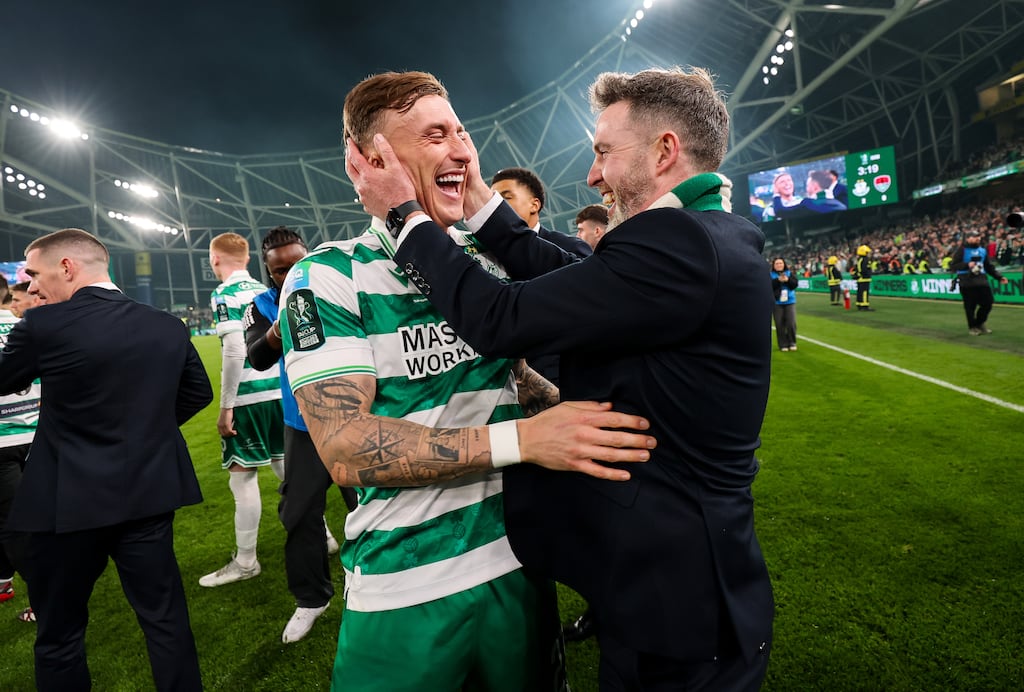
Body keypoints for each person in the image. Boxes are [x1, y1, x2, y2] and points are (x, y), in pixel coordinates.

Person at [354, 65, 775, 690]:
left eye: (604, 151)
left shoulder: (679, 240)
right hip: (671, 574)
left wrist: (404, 218)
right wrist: (478, 203)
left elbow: (501, 318)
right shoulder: (707, 231)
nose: (593, 173)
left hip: (676, 595)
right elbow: (562, 271)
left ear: (664, 151)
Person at [290, 70, 654, 692]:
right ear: (372, 159)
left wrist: (591, 418)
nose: (461, 150)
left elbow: (516, 378)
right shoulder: (328, 276)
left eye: (461, 132)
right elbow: (346, 448)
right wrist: (527, 441)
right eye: (435, 136)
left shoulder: (479, 264)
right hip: (406, 588)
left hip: (518, 566)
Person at [0, 228, 211, 691]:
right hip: (147, 497)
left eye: (35, 274)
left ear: (68, 268)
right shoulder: (166, 324)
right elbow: (199, 392)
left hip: (66, 503)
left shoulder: (41, 326)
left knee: (59, 634)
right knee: (166, 623)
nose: (31, 286)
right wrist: (144, 431)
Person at [242, 226, 357, 644]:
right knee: (298, 513)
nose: (289, 274)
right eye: (279, 270)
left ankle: (376, 582)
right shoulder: (261, 304)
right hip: (303, 425)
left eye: (296, 264)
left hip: (355, 417)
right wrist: (281, 324)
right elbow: (256, 356)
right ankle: (311, 598)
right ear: (267, 271)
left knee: (369, 508)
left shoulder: (340, 282)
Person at [202, 232, 285, 587]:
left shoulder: (225, 294)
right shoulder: (266, 291)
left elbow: (236, 351)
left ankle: (247, 560)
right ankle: (324, 536)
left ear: (215, 259)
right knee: (288, 471)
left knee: (242, 476)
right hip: (282, 393)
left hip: (249, 397)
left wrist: (226, 406)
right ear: (249, 259)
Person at [491, 167, 592, 385]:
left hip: (563, 377)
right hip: (502, 381)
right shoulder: (486, 256)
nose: (497, 206)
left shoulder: (570, 247)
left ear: (534, 205)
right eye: (493, 200)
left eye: (506, 198)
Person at [0, 281, 39, 615]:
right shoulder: (26, 326)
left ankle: (45, 597)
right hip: (36, 435)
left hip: (2, 443)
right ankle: (2, 579)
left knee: (13, 524)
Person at [951, 229, 1009, 335]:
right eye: (974, 236)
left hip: (981, 280)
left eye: (978, 236)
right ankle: (972, 327)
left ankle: (979, 322)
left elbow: (988, 266)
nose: (977, 238)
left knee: (988, 303)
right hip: (967, 280)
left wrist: (999, 277)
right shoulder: (962, 250)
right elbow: (953, 265)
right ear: (968, 238)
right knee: (970, 306)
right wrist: (967, 265)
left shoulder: (982, 250)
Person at [771, 258, 799, 351]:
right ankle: (782, 344)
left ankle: (792, 342)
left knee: (791, 323)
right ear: (774, 265)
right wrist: (778, 281)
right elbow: (769, 286)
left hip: (789, 301)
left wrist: (787, 280)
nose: (779, 265)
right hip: (776, 302)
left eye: (781, 263)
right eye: (777, 263)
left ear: (784, 264)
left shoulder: (789, 273)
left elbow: (795, 284)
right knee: (779, 324)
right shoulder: (771, 275)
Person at [852, 244, 874, 311]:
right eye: (867, 252)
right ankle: (864, 306)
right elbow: (864, 270)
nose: (868, 254)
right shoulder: (865, 260)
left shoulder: (859, 259)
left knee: (860, 292)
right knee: (864, 292)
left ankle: (859, 304)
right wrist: (867, 274)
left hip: (860, 279)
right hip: (864, 279)